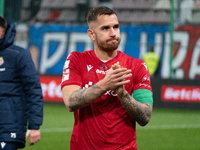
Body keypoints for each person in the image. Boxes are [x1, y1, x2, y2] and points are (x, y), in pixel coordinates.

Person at [61, 6, 153, 150]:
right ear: (91, 34)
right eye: (105, 28)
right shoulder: (76, 60)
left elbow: (145, 117)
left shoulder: (137, 66)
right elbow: (70, 101)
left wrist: (123, 94)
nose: (113, 33)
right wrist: (105, 84)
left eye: (116, 27)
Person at [0, 16, 43, 149]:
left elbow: (33, 90)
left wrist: (35, 126)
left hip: (9, 128)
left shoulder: (19, 54)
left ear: (2, 31)